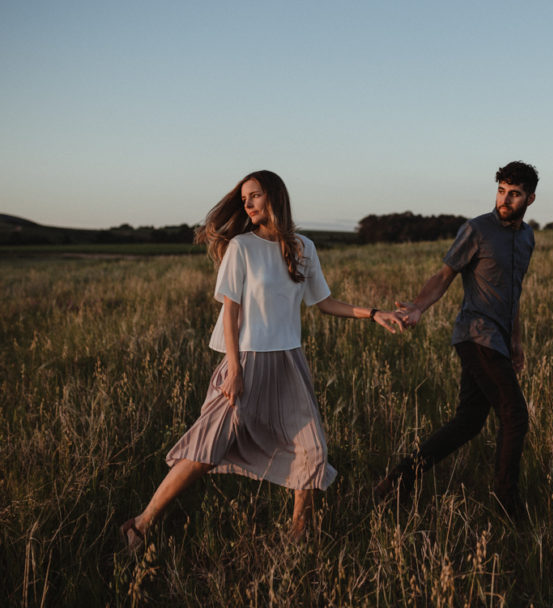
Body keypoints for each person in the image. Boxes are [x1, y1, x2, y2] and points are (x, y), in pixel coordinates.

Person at [121, 170, 403, 550]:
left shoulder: (303, 247)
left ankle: (297, 540)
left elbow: (322, 302)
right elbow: (231, 313)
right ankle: (140, 525)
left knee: (312, 449)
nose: (248, 204)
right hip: (246, 361)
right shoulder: (241, 247)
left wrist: (373, 313)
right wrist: (235, 370)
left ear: (274, 196)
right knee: (208, 448)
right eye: (244, 199)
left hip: (288, 363)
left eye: (254, 196)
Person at [375, 161, 538, 517]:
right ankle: (506, 503)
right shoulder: (476, 230)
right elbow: (445, 275)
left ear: (530, 198)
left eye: (514, 194)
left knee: (469, 421)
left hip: (499, 339)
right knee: (515, 414)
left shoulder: (527, 238)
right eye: (501, 191)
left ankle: (400, 479)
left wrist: (517, 342)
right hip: (475, 334)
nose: (505, 200)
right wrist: (418, 306)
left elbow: (514, 294)